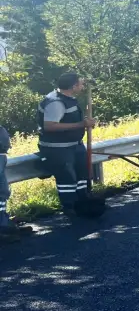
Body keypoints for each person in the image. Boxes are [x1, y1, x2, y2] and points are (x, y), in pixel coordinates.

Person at [36, 72, 96, 217]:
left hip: (74, 145)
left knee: (81, 174)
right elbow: (50, 126)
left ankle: (82, 201)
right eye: (81, 84)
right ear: (73, 86)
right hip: (58, 149)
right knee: (67, 178)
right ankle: (69, 207)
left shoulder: (68, 99)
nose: (82, 86)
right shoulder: (55, 102)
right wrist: (81, 124)